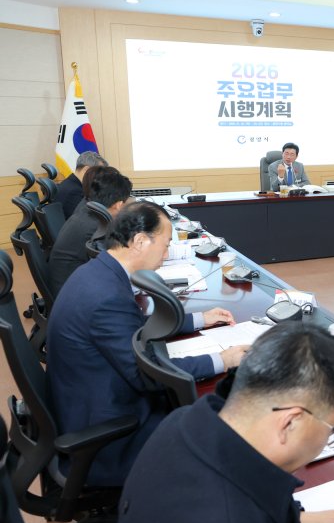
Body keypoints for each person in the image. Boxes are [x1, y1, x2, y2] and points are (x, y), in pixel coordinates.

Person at [46, 201, 248, 486]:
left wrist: (199, 319)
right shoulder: (106, 297)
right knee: (217, 422)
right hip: (110, 436)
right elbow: (149, 375)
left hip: (87, 399)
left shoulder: (99, 272)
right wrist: (223, 360)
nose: (166, 254)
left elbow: (130, 325)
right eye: (165, 245)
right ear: (140, 241)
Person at [118, 322, 334, 523]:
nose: (328, 439)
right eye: (332, 429)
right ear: (291, 422)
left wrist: (299, 522)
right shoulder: (230, 519)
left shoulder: (182, 420)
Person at [49, 166, 133, 297]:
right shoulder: (97, 227)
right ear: (119, 205)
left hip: (67, 285)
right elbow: (120, 263)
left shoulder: (87, 208)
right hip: (74, 295)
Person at [55, 151, 108, 219]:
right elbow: (88, 220)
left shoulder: (71, 185)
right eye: (98, 173)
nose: (100, 177)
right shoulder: (74, 192)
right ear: (86, 170)